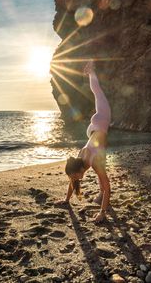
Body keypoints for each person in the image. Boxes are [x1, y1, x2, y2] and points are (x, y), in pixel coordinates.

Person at [57, 60, 111, 223]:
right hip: (93, 129)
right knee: (96, 93)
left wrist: (102, 212)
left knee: (97, 92)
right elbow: (72, 181)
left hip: (102, 120)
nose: (77, 178)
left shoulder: (92, 161)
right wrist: (66, 201)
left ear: (79, 168)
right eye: (75, 176)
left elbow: (108, 186)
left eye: (76, 175)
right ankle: (90, 72)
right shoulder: (80, 159)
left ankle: (91, 70)